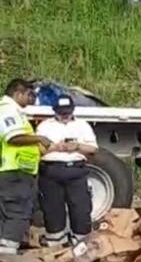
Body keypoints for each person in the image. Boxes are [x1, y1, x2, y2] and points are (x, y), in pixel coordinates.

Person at [37, 94, 98, 247]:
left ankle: (81, 242)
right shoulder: (45, 126)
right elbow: (38, 150)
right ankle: (55, 242)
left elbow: (93, 149)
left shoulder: (82, 125)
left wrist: (77, 146)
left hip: (75, 169)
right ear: (54, 110)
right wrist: (57, 147)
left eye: (67, 112)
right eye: (61, 112)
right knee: (52, 209)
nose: (64, 115)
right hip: (51, 170)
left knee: (81, 208)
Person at [0, 79, 51, 255]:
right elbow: (13, 137)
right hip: (14, 171)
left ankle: (4, 249)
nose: (31, 99)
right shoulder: (9, 110)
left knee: (7, 212)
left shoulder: (10, 110)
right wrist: (39, 139)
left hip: (13, 171)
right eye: (30, 95)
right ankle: (7, 255)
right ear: (18, 93)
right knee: (17, 211)